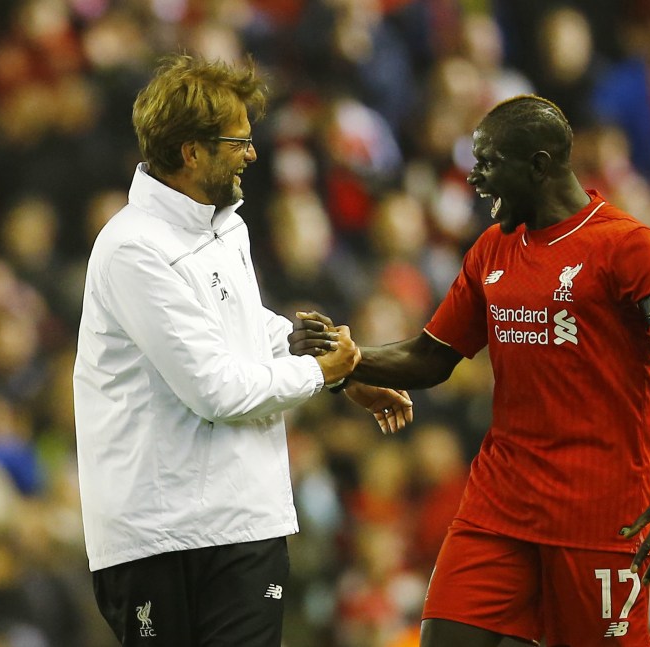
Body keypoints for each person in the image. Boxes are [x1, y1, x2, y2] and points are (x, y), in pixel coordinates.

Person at [290, 94, 650, 647]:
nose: (475, 178)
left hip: (598, 514)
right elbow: (431, 356)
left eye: (489, 163)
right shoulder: (492, 251)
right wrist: (346, 359)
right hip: (499, 505)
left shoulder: (629, 247)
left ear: (540, 165)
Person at [72, 54, 412, 647]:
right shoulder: (132, 249)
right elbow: (215, 390)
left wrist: (338, 372)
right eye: (239, 141)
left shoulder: (226, 227)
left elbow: (242, 327)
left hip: (247, 521)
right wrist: (315, 372)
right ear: (191, 153)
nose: (252, 154)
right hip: (161, 537)